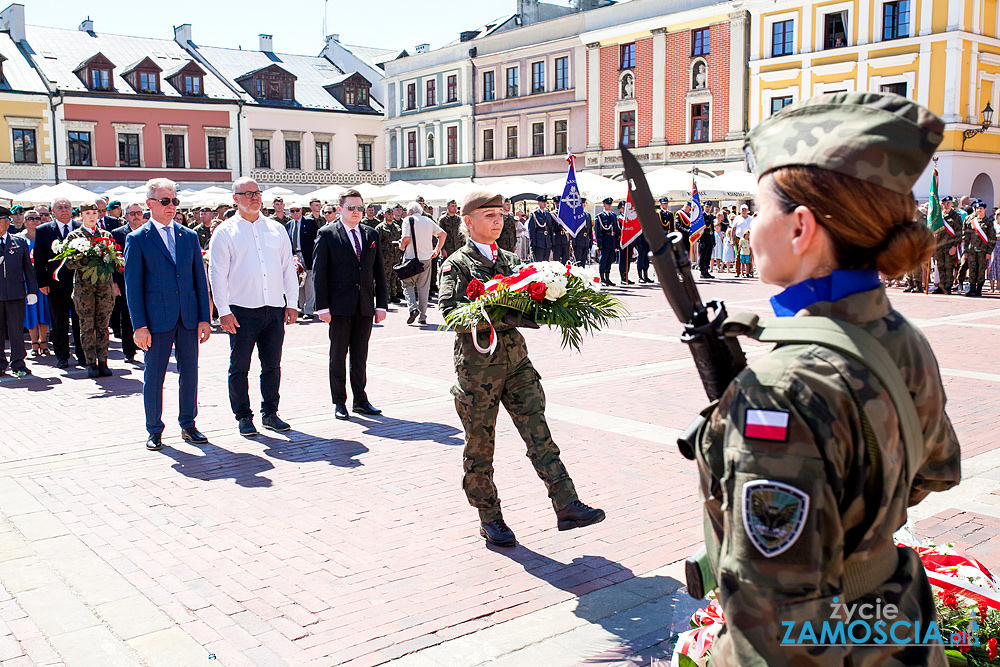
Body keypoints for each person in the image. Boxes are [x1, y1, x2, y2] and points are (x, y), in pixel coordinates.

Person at [692, 92, 960, 666]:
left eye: (756, 206)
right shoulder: (899, 334)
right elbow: (934, 468)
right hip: (893, 627)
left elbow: (774, 632)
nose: (749, 226)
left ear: (799, 228)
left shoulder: (781, 387)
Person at [438, 189, 606, 548]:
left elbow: (529, 304)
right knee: (480, 447)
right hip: (478, 371)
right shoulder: (456, 264)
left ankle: (566, 504)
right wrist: (499, 311)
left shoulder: (514, 260)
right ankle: (490, 517)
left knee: (539, 434)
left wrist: (553, 303)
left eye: (500, 215)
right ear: (468, 222)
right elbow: (452, 315)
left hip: (516, 363)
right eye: (489, 216)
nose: (498, 221)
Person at [125, 179, 211, 451]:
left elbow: (200, 280)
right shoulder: (137, 239)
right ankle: (154, 429)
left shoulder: (189, 236)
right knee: (154, 377)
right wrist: (139, 326)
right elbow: (133, 287)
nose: (171, 206)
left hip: (187, 318)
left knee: (190, 374)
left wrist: (204, 318)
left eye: (174, 201)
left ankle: (188, 424)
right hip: (156, 321)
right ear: (150, 204)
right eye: (165, 201)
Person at [209, 178, 298, 437]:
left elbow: (287, 269)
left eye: (257, 193)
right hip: (241, 310)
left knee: (272, 365)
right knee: (239, 366)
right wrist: (222, 310)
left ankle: (270, 413)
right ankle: (243, 416)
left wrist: (291, 303)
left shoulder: (276, 229)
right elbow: (217, 273)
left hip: (273, 309)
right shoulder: (225, 231)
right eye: (247, 194)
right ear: (235, 198)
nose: (254, 197)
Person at [312, 188, 387, 421]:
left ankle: (360, 400)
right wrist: (322, 307)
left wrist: (381, 304)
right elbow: (319, 273)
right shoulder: (327, 234)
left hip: (364, 305)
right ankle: (339, 402)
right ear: (339, 209)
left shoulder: (371, 234)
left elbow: (379, 272)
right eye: (350, 208)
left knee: (360, 355)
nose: (356, 212)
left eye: (359, 207)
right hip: (338, 306)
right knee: (338, 355)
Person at [63, 203, 117, 378]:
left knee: (103, 326)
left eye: (95, 213)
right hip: (84, 289)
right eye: (88, 213)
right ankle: (90, 362)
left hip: (104, 287)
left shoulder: (106, 235)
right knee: (87, 326)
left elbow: (115, 259)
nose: (92, 216)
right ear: (81, 215)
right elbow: (69, 263)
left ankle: (103, 361)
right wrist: (86, 260)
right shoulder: (75, 236)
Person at [34, 197, 85, 369]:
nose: (64, 210)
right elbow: (39, 258)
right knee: (59, 323)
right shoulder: (43, 230)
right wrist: (42, 282)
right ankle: (62, 356)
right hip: (55, 285)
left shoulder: (82, 228)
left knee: (80, 321)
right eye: (60, 207)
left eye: (67, 207)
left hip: (80, 284)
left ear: (72, 210)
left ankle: (83, 354)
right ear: (53, 211)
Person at [0, 206, 37, 378]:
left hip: (15, 292)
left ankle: (18, 362)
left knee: (16, 330)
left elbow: (28, 269)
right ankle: (0, 363)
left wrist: (31, 291)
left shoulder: (18, 241)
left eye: (2, 222)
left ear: (8, 223)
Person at [399, 202, 446, 325]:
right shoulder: (427, 220)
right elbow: (443, 234)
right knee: (423, 288)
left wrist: (401, 246)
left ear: (410, 211)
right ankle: (423, 316)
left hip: (410, 258)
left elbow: (405, 239)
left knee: (407, 284)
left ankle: (412, 308)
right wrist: (437, 250)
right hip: (426, 258)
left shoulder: (408, 220)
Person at [111, 202, 144, 363]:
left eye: (139, 213)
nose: (136, 216)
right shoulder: (116, 234)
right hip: (126, 282)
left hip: (148, 282)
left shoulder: (150, 232)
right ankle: (129, 351)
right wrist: (115, 283)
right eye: (132, 213)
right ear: (126, 216)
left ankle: (146, 347)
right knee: (127, 316)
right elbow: (113, 261)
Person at [18, 209, 50, 357]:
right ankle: (33, 342)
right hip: (27, 281)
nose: (34, 220)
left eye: (37, 218)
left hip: (42, 280)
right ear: (24, 221)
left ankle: (44, 341)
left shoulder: (43, 235)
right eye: (30, 218)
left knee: (44, 310)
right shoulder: (19, 239)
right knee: (31, 312)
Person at [286, 204, 318, 320]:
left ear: (301, 210)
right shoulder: (289, 225)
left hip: (307, 256)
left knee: (309, 284)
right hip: (295, 256)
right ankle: (302, 308)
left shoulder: (309, 222)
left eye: (297, 210)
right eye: (292, 211)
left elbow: (316, 239)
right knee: (299, 284)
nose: (295, 213)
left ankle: (309, 310)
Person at [929, 195, 963, 295]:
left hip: (949, 246)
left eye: (949, 203)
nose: (947, 204)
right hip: (939, 246)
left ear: (952, 204)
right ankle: (941, 286)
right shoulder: (938, 216)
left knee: (949, 267)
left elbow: (959, 233)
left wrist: (954, 246)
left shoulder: (956, 217)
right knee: (940, 267)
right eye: (945, 203)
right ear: (942, 204)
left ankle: (947, 287)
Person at [963, 200, 996, 297]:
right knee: (972, 270)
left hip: (983, 251)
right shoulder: (972, 222)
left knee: (981, 271)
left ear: (985, 209)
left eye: (981, 209)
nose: (979, 210)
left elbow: (992, 238)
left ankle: (979, 289)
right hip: (972, 250)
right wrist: (965, 250)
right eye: (977, 209)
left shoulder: (988, 223)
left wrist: (989, 252)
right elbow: (967, 237)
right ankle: (972, 288)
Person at [375, 205, 403, 304]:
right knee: (385, 277)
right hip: (385, 256)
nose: (390, 216)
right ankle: (385, 296)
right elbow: (377, 243)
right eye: (388, 214)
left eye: (392, 214)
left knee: (394, 276)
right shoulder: (380, 227)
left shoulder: (397, 227)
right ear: (384, 215)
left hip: (395, 256)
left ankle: (393, 295)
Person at [595, 197, 620, 286]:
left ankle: (607, 278)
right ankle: (602, 278)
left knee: (610, 261)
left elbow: (616, 230)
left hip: (612, 242)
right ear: (604, 205)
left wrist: (617, 243)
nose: (609, 206)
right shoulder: (600, 217)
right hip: (605, 242)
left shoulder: (613, 216)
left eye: (610, 204)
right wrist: (599, 243)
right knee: (603, 260)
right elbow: (598, 232)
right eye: (607, 204)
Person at [527, 196, 554, 262]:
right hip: (539, 242)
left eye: (545, 202)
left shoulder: (548, 214)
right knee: (539, 263)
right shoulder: (534, 214)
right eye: (542, 202)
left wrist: (552, 242)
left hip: (547, 241)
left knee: (546, 263)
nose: (544, 203)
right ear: (538, 203)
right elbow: (531, 230)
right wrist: (533, 244)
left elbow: (550, 229)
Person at [571, 198, 594, 268]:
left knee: (584, 260)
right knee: (578, 260)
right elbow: (573, 229)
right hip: (578, 239)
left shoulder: (587, 215)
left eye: (583, 204)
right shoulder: (575, 215)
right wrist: (573, 242)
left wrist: (591, 240)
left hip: (585, 240)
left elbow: (590, 229)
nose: (582, 205)